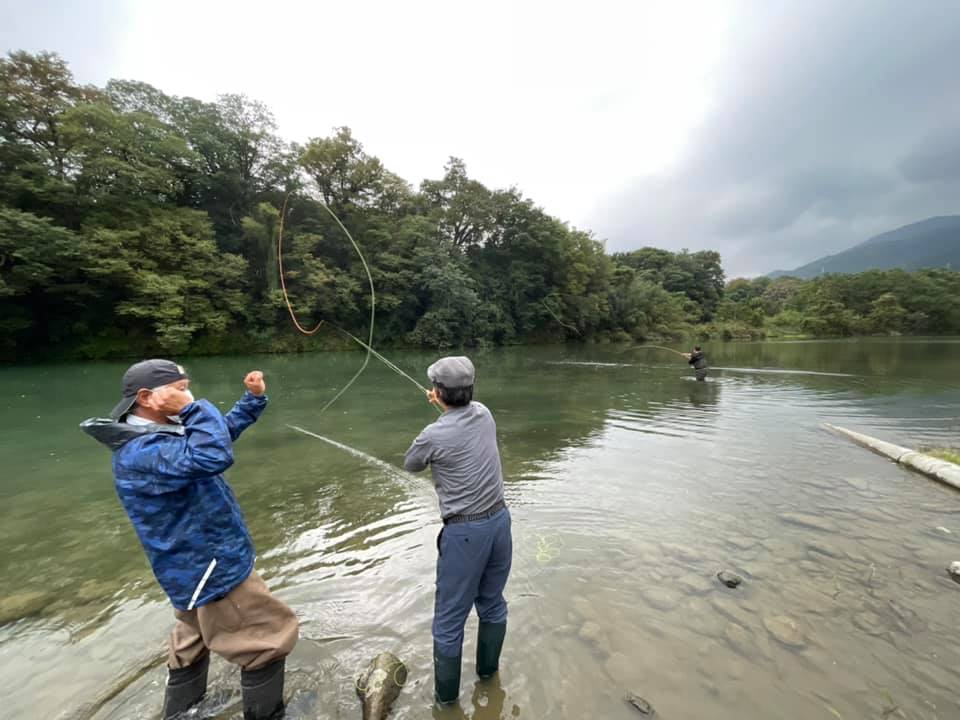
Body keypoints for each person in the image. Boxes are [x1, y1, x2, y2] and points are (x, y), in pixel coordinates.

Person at [80, 359, 298, 720]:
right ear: (148, 397)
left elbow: (217, 435)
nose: (187, 394)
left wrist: (252, 399)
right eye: (180, 388)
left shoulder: (157, 435)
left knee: (192, 639)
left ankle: (181, 713)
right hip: (211, 565)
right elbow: (213, 454)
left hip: (189, 567)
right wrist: (194, 408)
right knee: (267, 639)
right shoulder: (141, 451)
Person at [403, 356, 512, 706]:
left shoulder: (432, 434)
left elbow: (412, 464)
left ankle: (446, 703)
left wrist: (439, 411)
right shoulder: (485, 413)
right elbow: (461, 422)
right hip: (500, 524)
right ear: (470, 389)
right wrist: (445, 406)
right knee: (493, 605)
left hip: (465, 534)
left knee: (448, 623)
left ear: (437, 392)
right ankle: (488, 677)